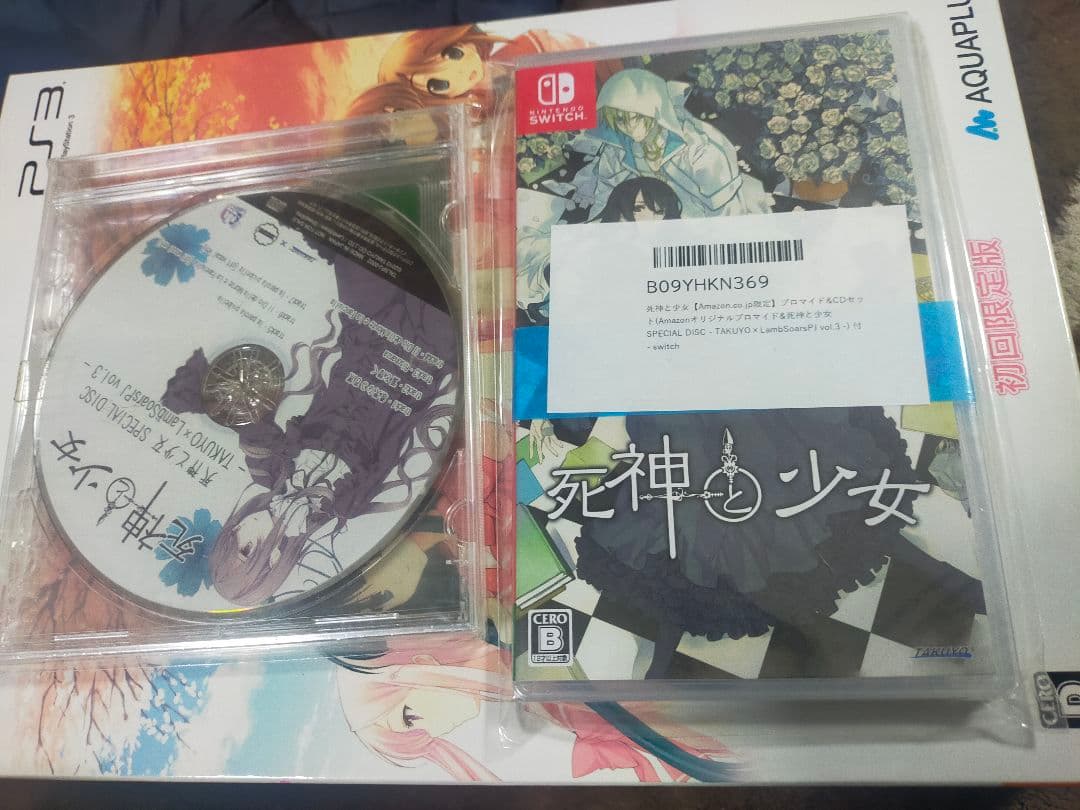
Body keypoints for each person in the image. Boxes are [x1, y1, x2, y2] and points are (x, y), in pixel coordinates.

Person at [333, 635, 737, 782]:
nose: (437, 731)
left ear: (421, 665)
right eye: (425, 741)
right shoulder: (529, 698)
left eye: (410, 718)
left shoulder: (517, 658)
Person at [561, 68, 773, 220]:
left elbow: (729, 212)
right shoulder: (619, 150)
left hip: (711, 216)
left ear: (656, 112)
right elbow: (608, 194)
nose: (629, 127)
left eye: (636, 117)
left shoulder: (700, 151)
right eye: (620, 120)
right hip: (658, 217)